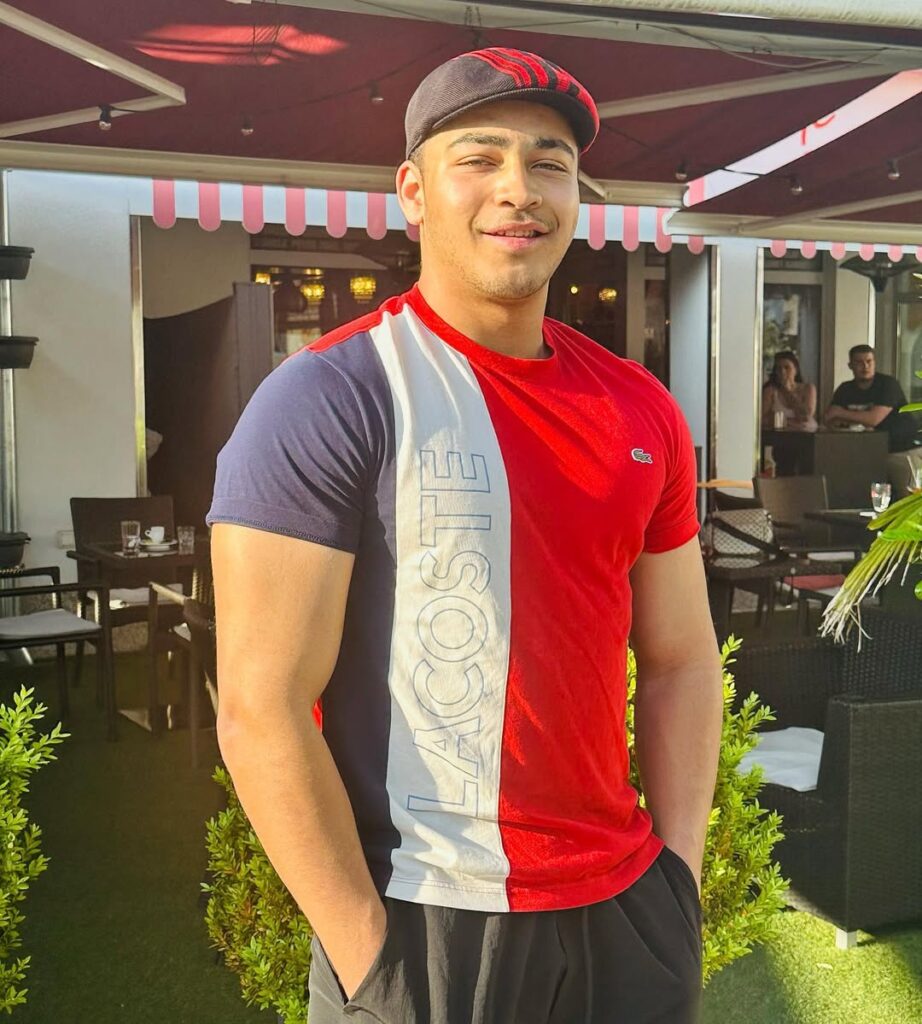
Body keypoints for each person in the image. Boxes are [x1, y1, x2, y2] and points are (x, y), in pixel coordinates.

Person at [207, 47, 723, 1024]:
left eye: (548, 163)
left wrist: (678, 880)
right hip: (423, 918)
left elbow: (682, 659)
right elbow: (259, 707)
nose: (517, 189)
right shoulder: (331, 397)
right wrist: (369, 960)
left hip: (626, 914)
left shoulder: (641, 408)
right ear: (413, 191)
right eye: (478, 158)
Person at [824, 344, 922, 496]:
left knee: (909, 498)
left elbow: (874, 419)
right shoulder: (845, 389)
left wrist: (842, 413)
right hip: (866, 453)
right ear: (850, 365)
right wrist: (851, 418)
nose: (865, 366)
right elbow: (830, 419)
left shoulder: (887, 384)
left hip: (902, 450)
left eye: (869, 361)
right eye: (859, 362)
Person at [761, 350, 817, 432]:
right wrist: (787, 422)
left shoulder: (808, 388)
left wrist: (787, 391)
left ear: (795, 370)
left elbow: (805, 416)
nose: (782, 372)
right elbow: (761, 419)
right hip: (780, 435)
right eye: (779, 368)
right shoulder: (770, 391)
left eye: (787, 368)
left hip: (806, 433)